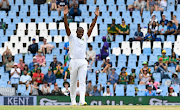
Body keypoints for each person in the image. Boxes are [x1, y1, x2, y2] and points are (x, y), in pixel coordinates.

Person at [64, 5, 99, 105]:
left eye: (82, 32)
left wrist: (96, 17)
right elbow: (66, 26)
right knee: (73, 82)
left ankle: (82, 100)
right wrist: (65, 16)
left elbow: (91, 27)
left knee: (83, 80)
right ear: (76, 32)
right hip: (74, 61)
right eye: (80, 32)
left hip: (83, 61)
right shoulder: (72, 37)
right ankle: (73, 101)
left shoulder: (85, 37)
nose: (81, 33)